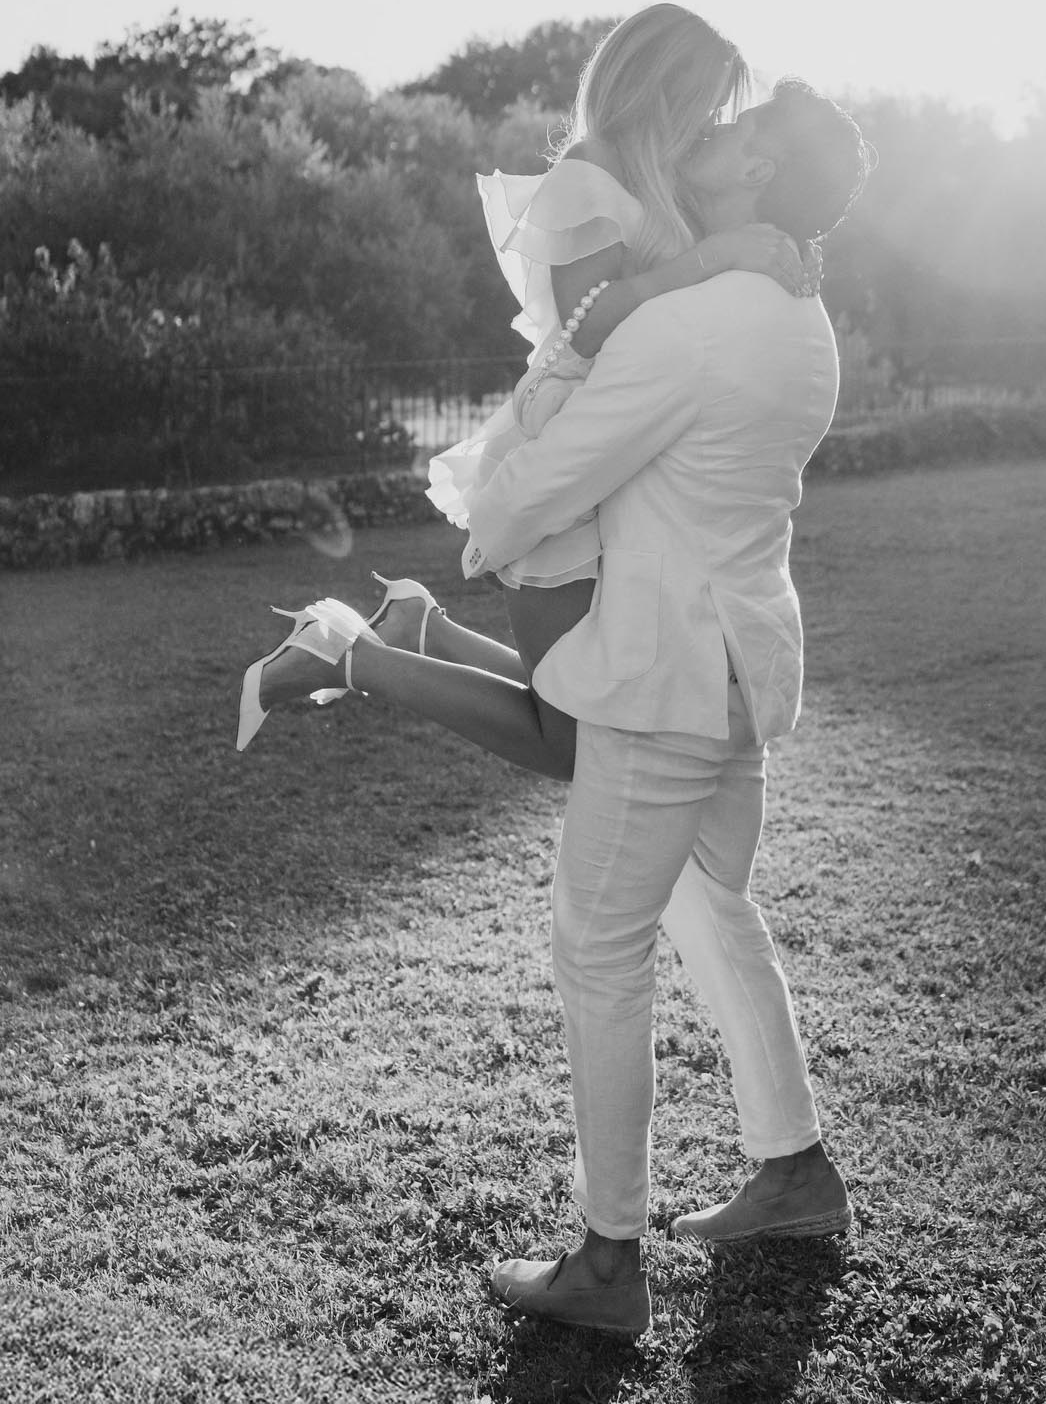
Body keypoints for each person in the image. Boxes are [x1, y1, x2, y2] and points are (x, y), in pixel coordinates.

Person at [241, 79, 872, 1336]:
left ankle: (605, 1261)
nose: (713, 132)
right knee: (705, 902)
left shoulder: (697, 323)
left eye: (738, 129)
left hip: (664, 676)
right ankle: (794, 1169)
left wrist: (494, 517)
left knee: (596, 949)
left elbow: (555, 481)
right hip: (736, 661)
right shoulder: (802, 314)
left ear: (758, 174)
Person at [239, 3, 814, 753]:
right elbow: (591, 320)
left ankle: (422, 625)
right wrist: (717, 256)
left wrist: (785, 242)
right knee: (567, 739)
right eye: (707, 106)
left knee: (580, 697)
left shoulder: (660, 180)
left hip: (620, 457)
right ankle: (345, 656)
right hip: (567, 447)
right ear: (662, 88)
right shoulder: (592, 170)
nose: (713, 124)